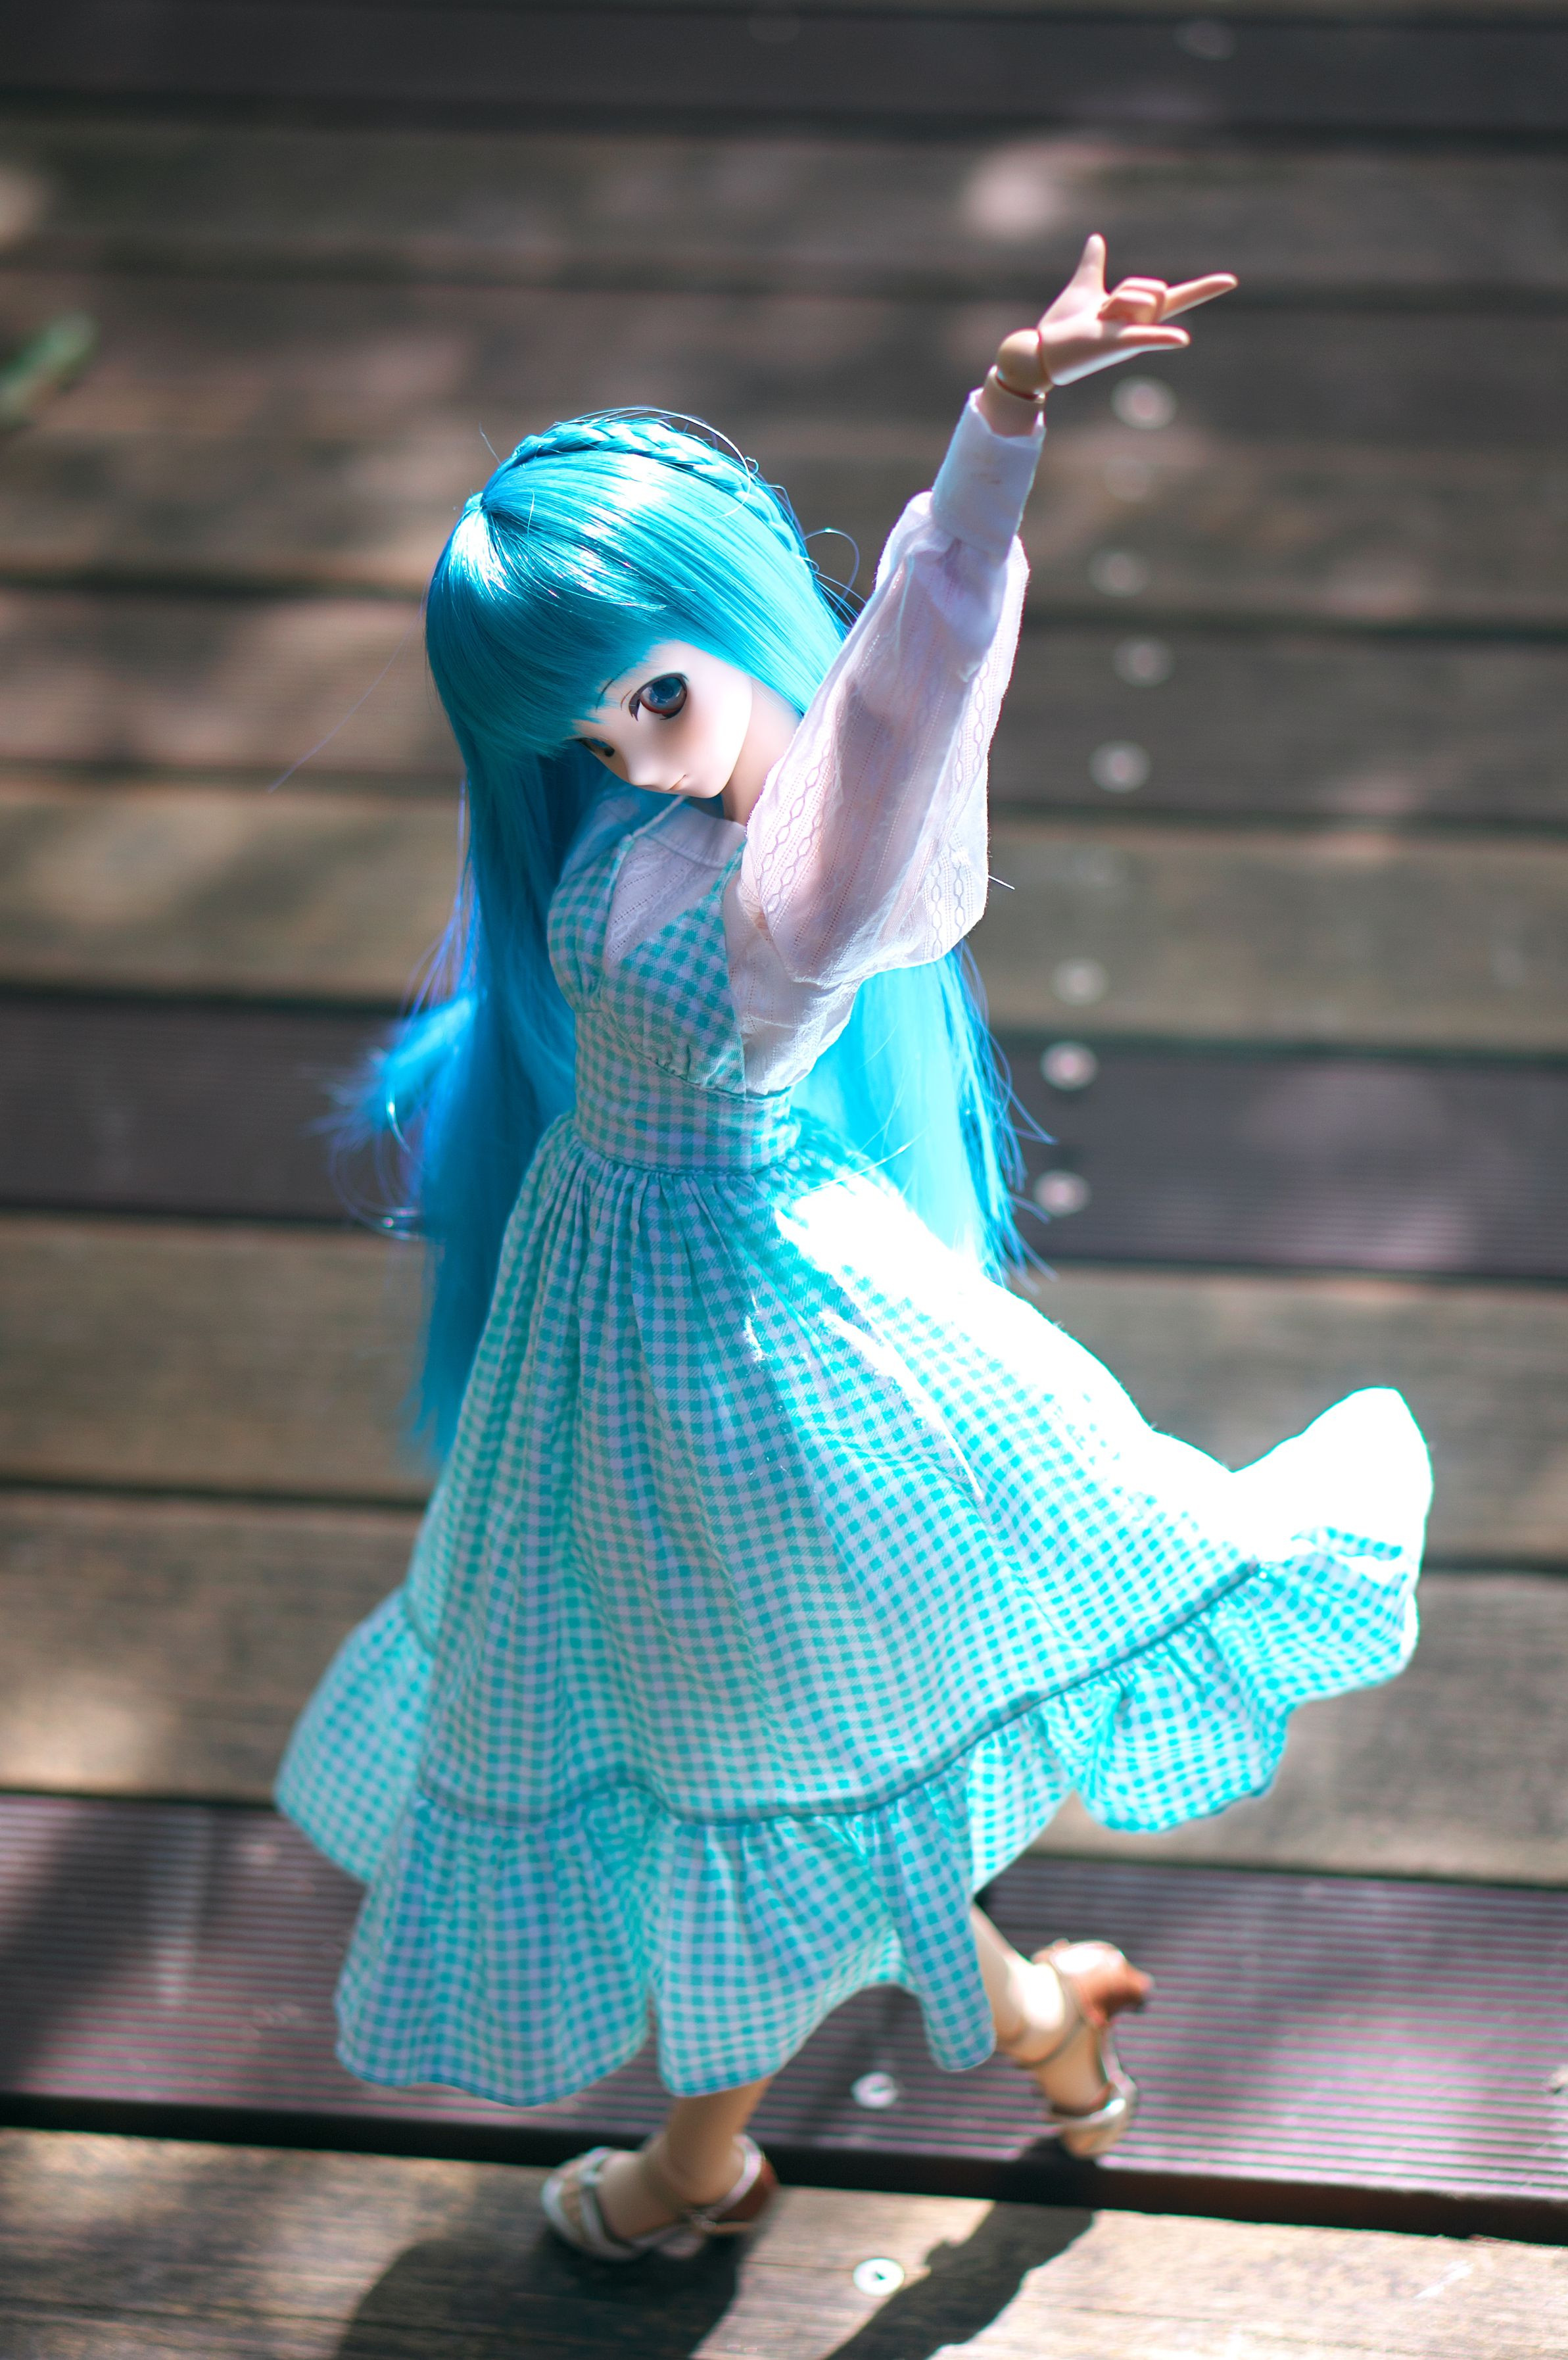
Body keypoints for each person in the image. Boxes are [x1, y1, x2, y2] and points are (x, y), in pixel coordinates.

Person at [277, 235, 1431, 2259]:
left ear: (727, 632)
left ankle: (710, 2161)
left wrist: (1003, 418)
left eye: (653, 699)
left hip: (753, 1360)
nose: (629, 755)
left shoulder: (789, 893)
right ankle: (1035, 2035)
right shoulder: (644, 826)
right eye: (591, 736)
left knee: (755, 1770)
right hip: (615, 1339)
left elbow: (909, 674)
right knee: (738, 1759)